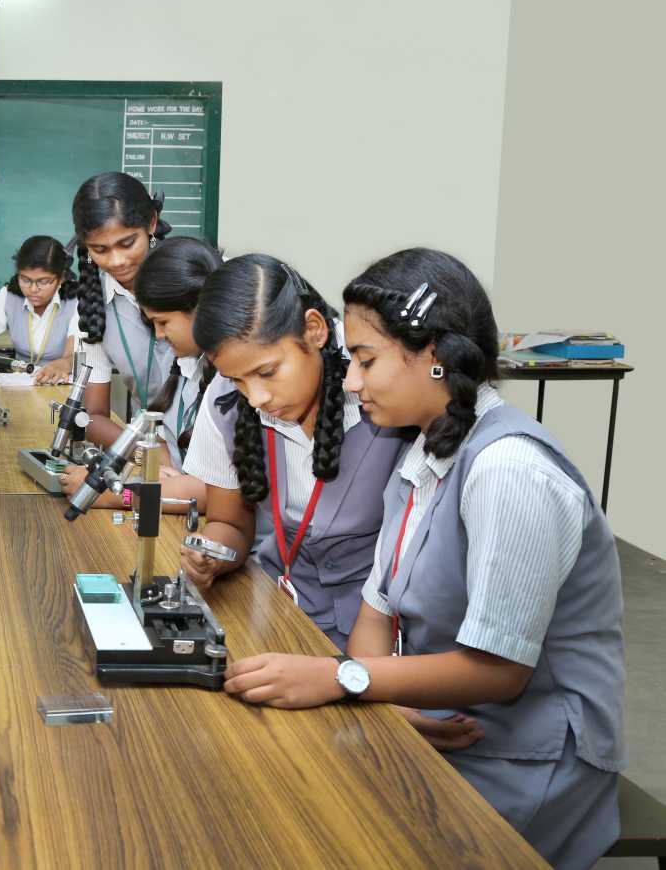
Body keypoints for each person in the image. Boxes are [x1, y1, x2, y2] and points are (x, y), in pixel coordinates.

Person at [221, 249, 624, 869]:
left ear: (433, 355)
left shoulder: (506, 469)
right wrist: (379, 702)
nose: (350, 382)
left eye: (365, 359)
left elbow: (498, 672)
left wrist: (341, 679)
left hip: (528, 757)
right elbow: (377, 611)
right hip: (452, 726)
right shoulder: (422, 457)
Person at [177, 255, 407, 650]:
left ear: (314, 330)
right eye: (238, 379)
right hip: (281, 616)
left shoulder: (378, 390)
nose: (257, 397)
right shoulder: (228, 399)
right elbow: (230, 525)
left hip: (382, 633)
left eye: (267, 372)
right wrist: (213, 555)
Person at [58, 236, 224, 507]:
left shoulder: (230, 385)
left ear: (200, 309)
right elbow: (181, 474)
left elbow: (215, 493)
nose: (158, 335)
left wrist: (115, 493)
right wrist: (152, 473)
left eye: (163, 322)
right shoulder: (185, 370)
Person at [65, 172, 176, 445]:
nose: (117, 261)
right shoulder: (94, 304)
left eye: (127, 244)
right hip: (149, 449)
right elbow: (93, 416)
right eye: (100, 250)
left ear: (151, 223)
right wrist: (144, 452)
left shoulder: (193, 278)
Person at [0, 235, 77, 383]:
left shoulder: (76, 301)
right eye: (25, 279)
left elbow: (72, 357)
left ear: (61, 278)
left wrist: (61, 365)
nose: (33, 289)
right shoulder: (9, 295)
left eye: (43, 282)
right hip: (19, 386)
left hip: (59, 387)